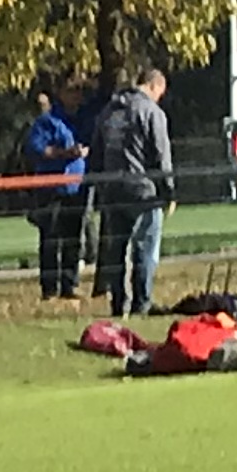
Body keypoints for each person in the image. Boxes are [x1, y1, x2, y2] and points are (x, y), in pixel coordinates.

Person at [90, 65, 173, 318]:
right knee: (145, 248)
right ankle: (141, 302)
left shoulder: (109, 111)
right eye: (160, 93)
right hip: (143, 191)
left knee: (116, 249)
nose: (159, 98)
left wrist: (99, 184)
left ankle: (119, 303)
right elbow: (161, 154)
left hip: (112, 189)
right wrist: (169, 191)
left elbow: (96, 152)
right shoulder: (150, 111)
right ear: (154, 85)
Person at [22, 82, 85, 301]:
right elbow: (37, 149)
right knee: (50, 238)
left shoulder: (82, 119)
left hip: (75, 187)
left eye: (80, 91)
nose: (77, 95)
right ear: (61, 93)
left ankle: (70, 284)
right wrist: (64, 153)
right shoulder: (48, 120)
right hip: (51, 188)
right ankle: (49, 288)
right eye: (72, 90)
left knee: (73, 237)